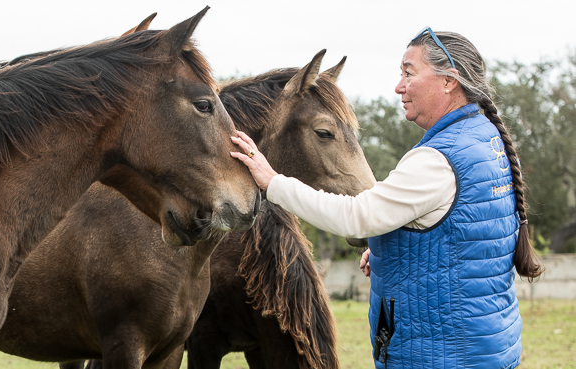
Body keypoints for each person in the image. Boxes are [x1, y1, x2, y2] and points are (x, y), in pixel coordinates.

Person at [231, 28, 543, 368]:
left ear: (449, 80)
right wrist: (390, 250)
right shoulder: (484, 140)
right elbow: (464, 235)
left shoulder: (438, 160)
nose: (399, 86)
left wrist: (273, 182)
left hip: (440, 355)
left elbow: (356, 216)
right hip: (485, 346)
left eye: (409, 73)